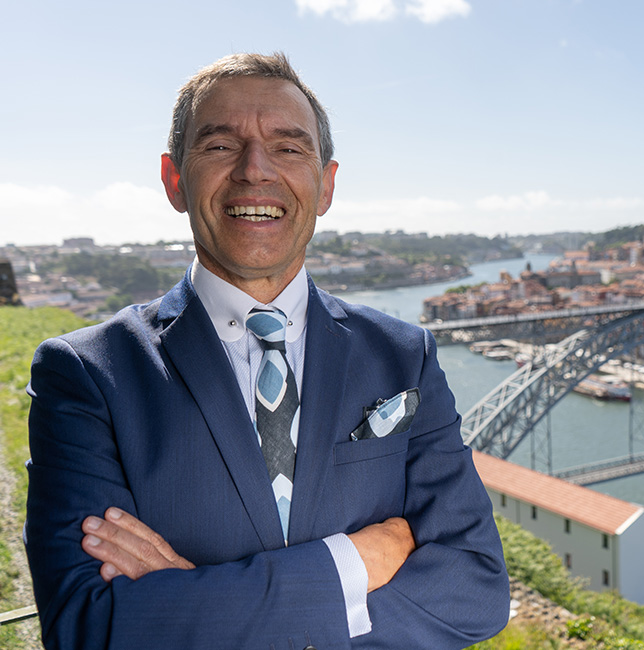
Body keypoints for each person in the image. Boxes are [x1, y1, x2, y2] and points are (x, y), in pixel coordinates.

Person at [24, 52, 509, 649]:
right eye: (220, 145)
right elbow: (87, 627)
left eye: (288, 147)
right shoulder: (86, 374)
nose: (255, 170)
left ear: (325, 185)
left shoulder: (404, 355)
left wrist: (193, 604)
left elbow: (476, 591)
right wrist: (351, 566)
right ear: (174, 180)